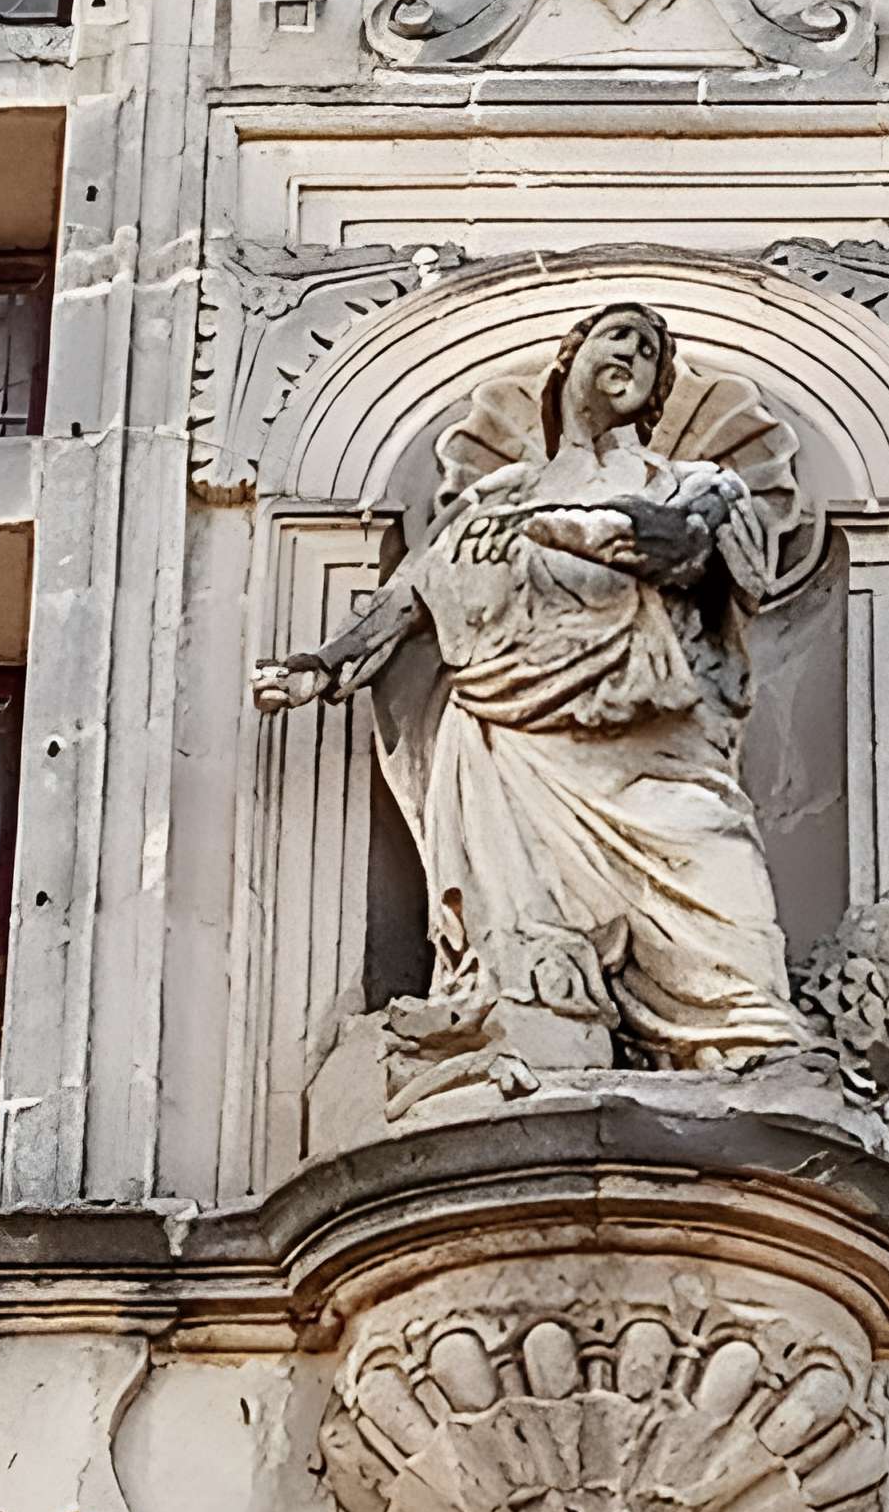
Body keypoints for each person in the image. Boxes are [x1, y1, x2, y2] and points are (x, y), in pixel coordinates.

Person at [254, 301, 803, 1081]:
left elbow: (682, 551)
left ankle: (751, 1039)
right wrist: (323, 662)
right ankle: (528, 1030)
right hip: (505, 739)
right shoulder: (498, 498)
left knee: (716, 864)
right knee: (528, 942)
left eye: (651, 351)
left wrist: (577, 530)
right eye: (619, 336)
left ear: (656, 394)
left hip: (648, 739)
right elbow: (413, 593)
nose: (634, 354)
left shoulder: (691, 483)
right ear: (571, 358)